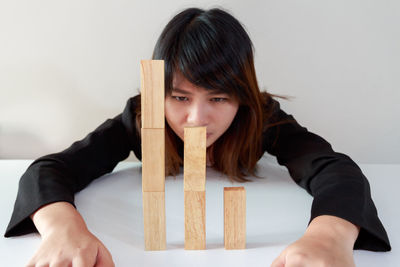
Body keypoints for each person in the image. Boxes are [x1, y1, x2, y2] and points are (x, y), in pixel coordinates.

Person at [5, 7, 390, 267]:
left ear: (242, 97)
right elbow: (50, 169)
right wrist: (62, 227)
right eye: (180, 97)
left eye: (218, 98)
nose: (196, 118)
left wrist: (329, 234)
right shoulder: (142, 116)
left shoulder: (262, 117)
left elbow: (334, 170)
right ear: (160, 92)